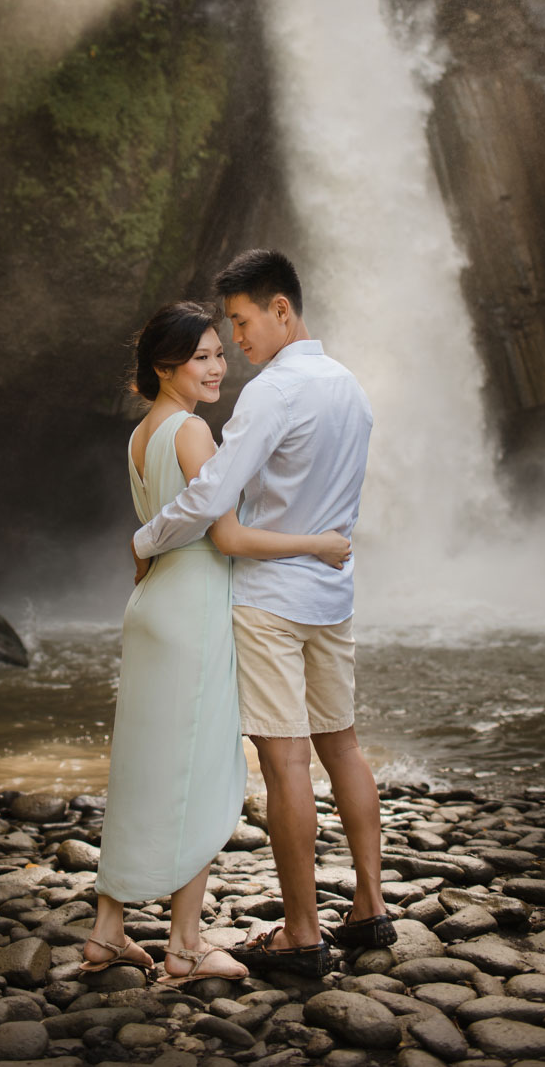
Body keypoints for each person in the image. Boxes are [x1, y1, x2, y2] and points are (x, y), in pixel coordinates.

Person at [132, 250, 395, 979]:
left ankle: (301, 932)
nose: (238, 342)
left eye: (243, 323)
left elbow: (212, 494)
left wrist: (147, 537)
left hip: (271, 601)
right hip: (331, 594)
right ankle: (370, 908)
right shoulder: (351, 388)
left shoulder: (272, 394)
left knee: (286, 764)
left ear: (283, 309)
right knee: (343, 746)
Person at [82, 300, 353, 984]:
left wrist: (142, 544)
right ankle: (183, 945)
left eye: (218, 353)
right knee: (201, 772)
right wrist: (314, 543)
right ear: (164, 367)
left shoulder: (141, 434)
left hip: (151, 607)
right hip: (196, 608)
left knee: (143, 764)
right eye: (200, 356)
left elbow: (163, 528)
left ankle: (108, 930)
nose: (217, 366)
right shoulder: (194, 434)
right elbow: (226, 538)